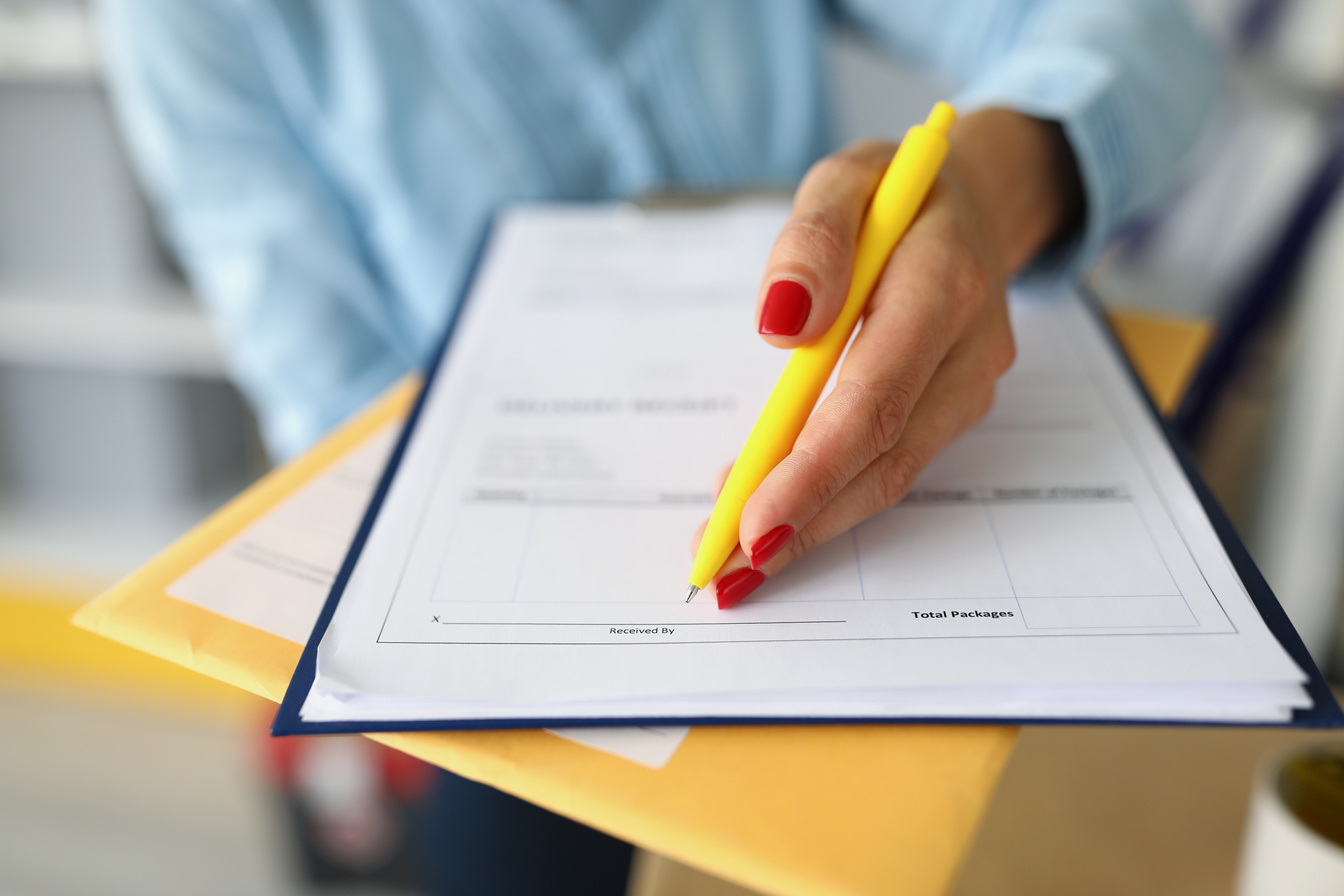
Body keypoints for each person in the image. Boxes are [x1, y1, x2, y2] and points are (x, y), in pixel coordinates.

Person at [96, 1, 1218, 890]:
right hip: (506, 654)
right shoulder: (190, 18)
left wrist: (989, 179)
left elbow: (1147, 33)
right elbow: (326, 389)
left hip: (854, 573)